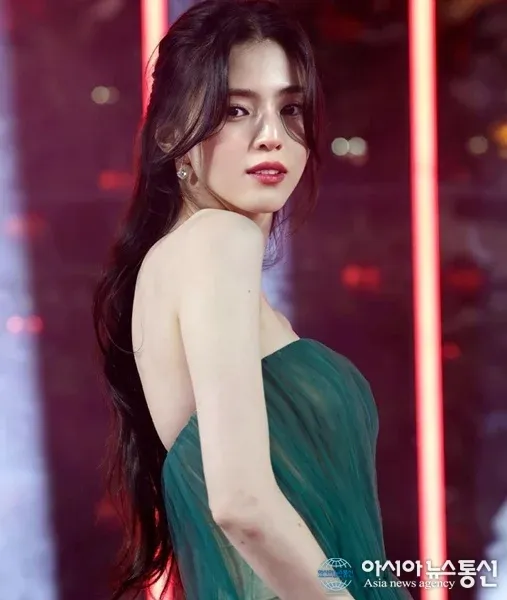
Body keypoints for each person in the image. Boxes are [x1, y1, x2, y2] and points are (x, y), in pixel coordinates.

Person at [93, 1, 413, 599]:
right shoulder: (219, 239)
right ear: (170, 133)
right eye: (236, 110)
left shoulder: (175, 260)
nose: (273, 136)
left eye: (290, 109)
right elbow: (241, 503)